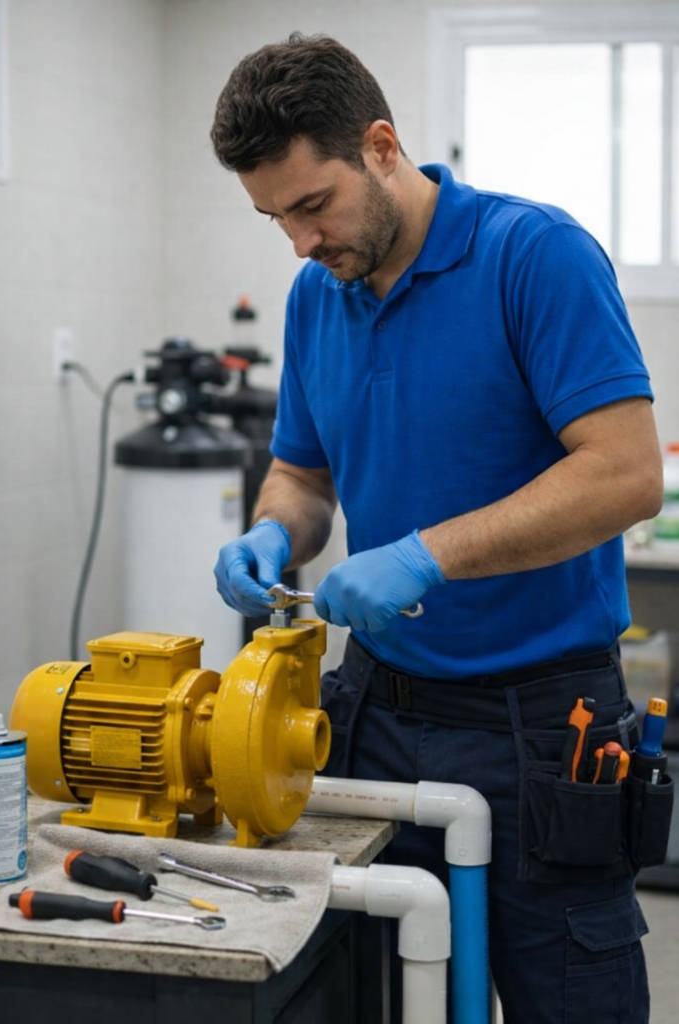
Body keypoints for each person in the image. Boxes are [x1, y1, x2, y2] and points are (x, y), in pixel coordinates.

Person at [210, 32, 664, 1024]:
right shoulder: (316, 296)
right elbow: (301, 474)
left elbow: (625, 474)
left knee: (570, 998)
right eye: (275, 218)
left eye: (312, 204)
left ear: (380, 147)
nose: (299, 242)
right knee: (368, 991)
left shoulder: (532, 255)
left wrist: (430, 555)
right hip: (373, 716)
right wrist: (275, 532)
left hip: (540, 725)